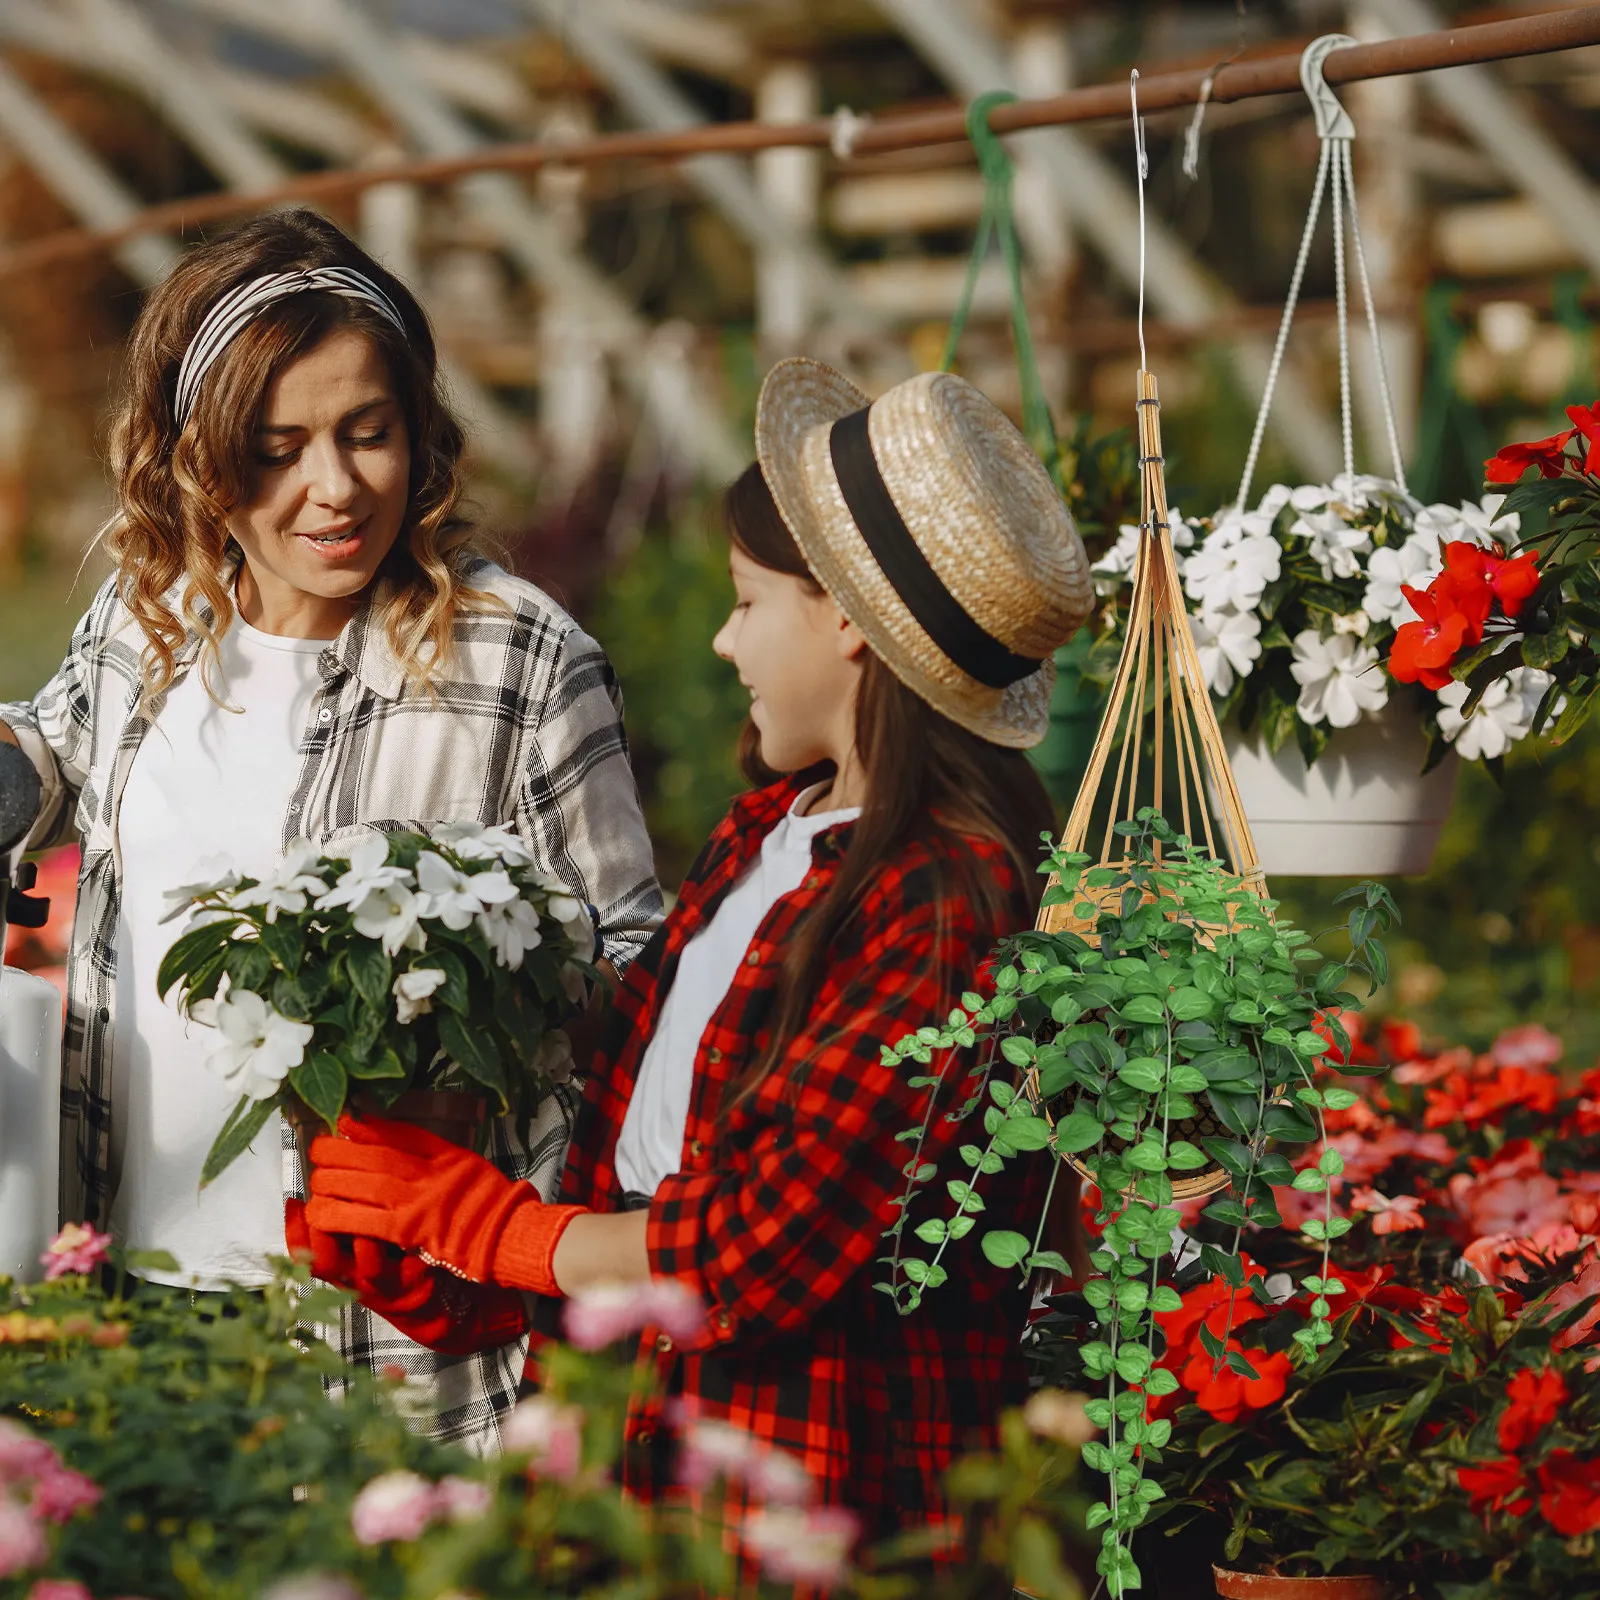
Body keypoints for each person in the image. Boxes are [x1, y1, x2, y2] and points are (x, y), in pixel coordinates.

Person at [306, 356, 1093, 1549]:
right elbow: (624, 1158)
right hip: (654, 1458)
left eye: (742, 599)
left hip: (814, 1488)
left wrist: (494, 1228)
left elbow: (756, 1245)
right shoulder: (764, 834)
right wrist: (431, 1252)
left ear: (843, 620)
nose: (724, 643)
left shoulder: (943, 902)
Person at [0, 209, 662, 1453]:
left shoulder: (514, 654)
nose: (336, 485)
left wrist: (476, 1004)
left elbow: (637, 968)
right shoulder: (152, 623)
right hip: (129, 1294)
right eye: (278, 447)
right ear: (197, 459)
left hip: (386, 1333)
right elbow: (47, 750)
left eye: (369, 433)